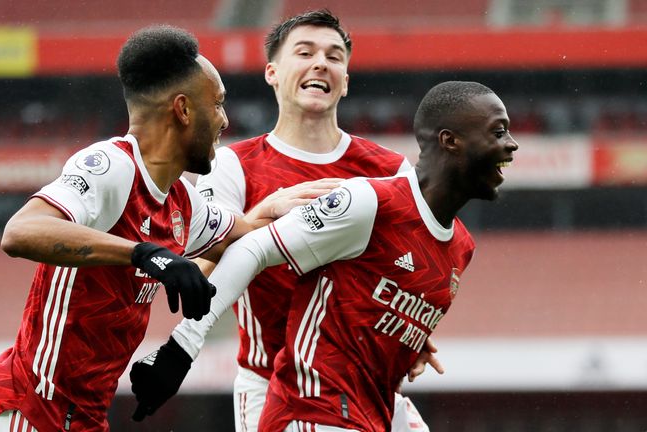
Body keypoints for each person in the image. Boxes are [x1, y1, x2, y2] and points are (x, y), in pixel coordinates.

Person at [0, 25, 327, 432]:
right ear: (183, 110)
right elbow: (21, 232)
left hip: (80, 419)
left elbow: (253, 238)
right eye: (218, 104)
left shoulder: (184, 205)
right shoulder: (111, 166)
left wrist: (304, 207)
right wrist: (145, 254)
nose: (224, 119)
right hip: (25, 410)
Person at [135, 80, 519, 431]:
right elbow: (253, 247)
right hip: (311, 410)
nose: (512, 144)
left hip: (373, 414)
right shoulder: (368, 201)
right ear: (450, 140)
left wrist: (406, 346)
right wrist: (181, 347)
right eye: (498, 131)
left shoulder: (461, 247)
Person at [129, 10, 439, 432]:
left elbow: (410, 269)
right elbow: (195, 274)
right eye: (305, 52)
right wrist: (258, 220)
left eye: (334, 56)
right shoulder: (231, 166)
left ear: (345, 79)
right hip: (271, 386)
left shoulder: (391, 169)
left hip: (364, 385)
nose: (320, 64)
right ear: (272, 72)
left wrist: (410, 331)